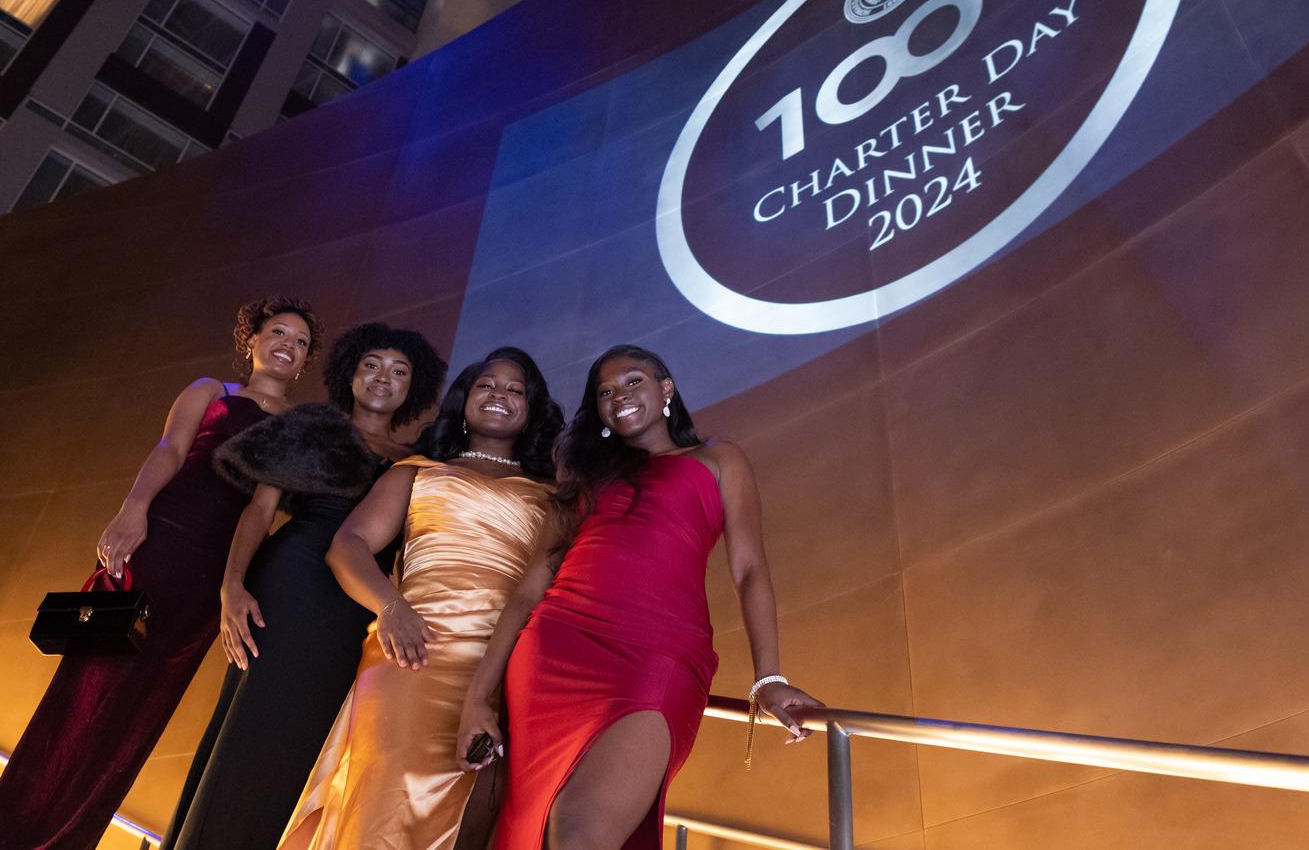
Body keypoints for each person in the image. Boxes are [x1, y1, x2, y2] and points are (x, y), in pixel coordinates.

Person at [458, 344, 822, 850]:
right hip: (554, 651)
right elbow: (529, 590)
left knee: (579, 831)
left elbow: (750, 569)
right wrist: (477, 699)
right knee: (535, 830)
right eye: (605, 392)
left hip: (659, 654)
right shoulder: (586, 476)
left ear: (665, 388)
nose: (619, 397)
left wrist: (770, 677)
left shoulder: (718, 459)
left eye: (633, 382)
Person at [0, 296, 321, 850]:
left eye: (300, 342)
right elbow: (170, 450)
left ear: (306, 360)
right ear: (252, 341)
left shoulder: (299, 427)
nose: (287, 346)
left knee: (139, 713)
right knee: (83, 689)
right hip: (157, 544)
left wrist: (232, 583)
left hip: (210, 579)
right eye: (279, 333)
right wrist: (131, 511)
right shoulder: (209, 392)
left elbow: (261, 510)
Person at [161, 323, 447, 850]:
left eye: (399, 370)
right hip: (292, 582)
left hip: (360, 604)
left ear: (415, 386)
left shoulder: (419, 456)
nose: (384, 377)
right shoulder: (310, 425)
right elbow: (259, 512)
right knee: (257, 728)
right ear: (350, 374)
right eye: (371, 365)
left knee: (311, 741)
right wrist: (232, 587)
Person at [279, 348, 562, 850]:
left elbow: (540, 592)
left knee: (474, 820)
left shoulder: (553, 497)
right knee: (385, 801)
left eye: (515, 389)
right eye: (486, 385)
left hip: (503, 665)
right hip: (412, 650)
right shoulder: (417, 471)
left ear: (533, 410)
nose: (499, 394)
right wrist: (390, 607)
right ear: (464, 400)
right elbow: (347, 546)